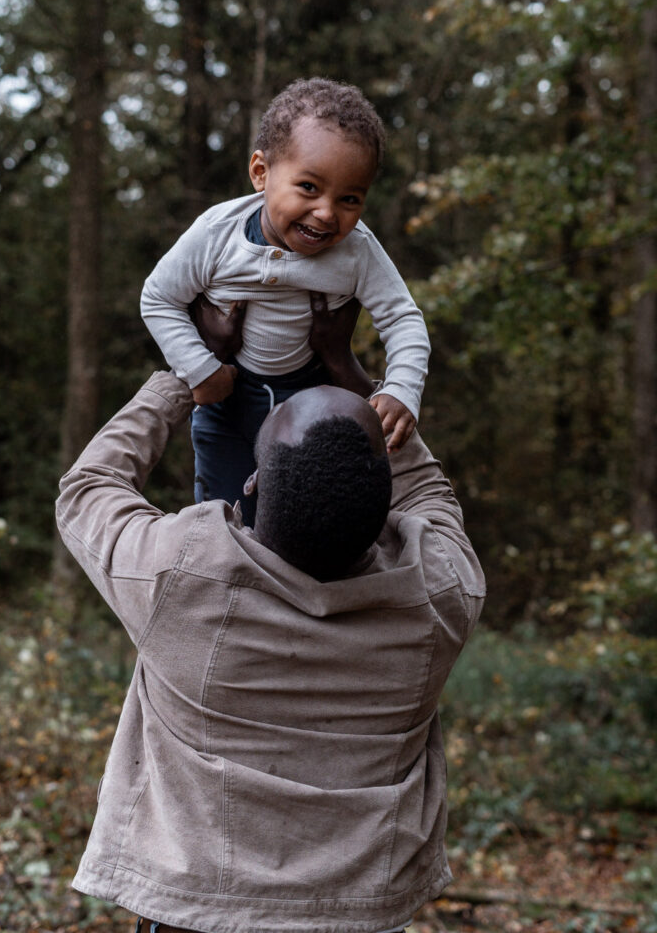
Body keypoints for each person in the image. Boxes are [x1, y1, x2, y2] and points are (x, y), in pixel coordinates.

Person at [55, 300, 485, 933]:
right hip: (359, 917)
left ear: (252, 484)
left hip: (195, 914)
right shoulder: (437, 595)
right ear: (387, 506)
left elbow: (89, 489)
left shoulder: (182, 577)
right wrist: (349, 369)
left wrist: (187, 372)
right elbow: (429, 494)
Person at [140, 77, 430, 522]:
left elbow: (402, 318)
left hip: (315, 402)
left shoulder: (358, 250)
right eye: (309, 187)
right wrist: (200, 370)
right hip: (229, 402)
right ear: (261, 172)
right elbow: (159, 298)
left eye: (349, 198)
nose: (327, 213)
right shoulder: (217, 234)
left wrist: (401, 390)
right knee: (226, 520)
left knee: (312, 522)